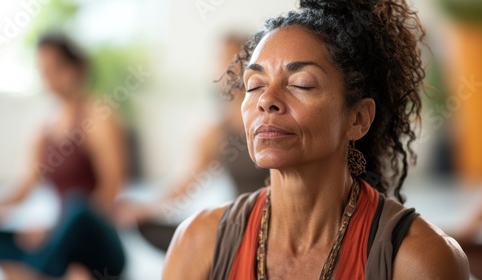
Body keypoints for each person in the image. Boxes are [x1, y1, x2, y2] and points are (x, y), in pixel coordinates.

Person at [162, 0, 469, 279]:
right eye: (254, 85)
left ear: (358, 118)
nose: (266, 100)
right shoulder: (199, 243)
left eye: (301, 84)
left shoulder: (419, 260)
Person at [0, 33, 127, 280]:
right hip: (58, 243)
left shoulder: (98, 117)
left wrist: (53, 230)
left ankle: (33, 272)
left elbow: (111, 190)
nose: (48, 77)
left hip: (96, 242)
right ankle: (52, 270)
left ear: (76, 68)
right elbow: (22, 191)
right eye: (43, 69)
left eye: (55, 68)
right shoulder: (42, 131)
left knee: (78, 206)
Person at [115, 34, 269, 251]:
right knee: (156, 229)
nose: (227, 69)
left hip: (273, 224)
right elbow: (187, 182)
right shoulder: (218, 128)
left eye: (235, 60)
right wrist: (147, 209)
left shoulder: (271, 115)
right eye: (220, 61)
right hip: (239, 223)